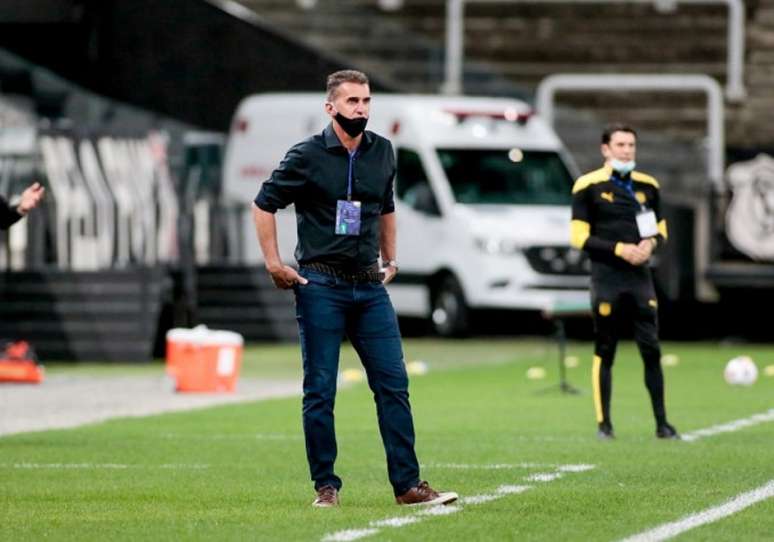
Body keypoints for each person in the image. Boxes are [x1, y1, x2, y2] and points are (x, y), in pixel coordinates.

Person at [252, 70, 458, 507]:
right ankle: (326, 485)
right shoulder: (306, 155)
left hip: (368, 286)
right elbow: (263, 203)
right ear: (331, 108)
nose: (361, 109)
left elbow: (386, 207)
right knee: (321, 389)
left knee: (394, 384)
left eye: (366, 101)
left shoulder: (382, 151)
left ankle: (407, 485)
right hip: (320, 283)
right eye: (352, 102)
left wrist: (392, 258)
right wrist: (274, 264)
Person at [570, 123, 679, 440]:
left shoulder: (648, 186)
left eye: (631, 145)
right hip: (607, 279)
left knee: (652, 349)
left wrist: (651, 244)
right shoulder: (587, 186)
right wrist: (619, 249)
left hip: (640, 279)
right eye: (620, 145)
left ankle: (662, 423)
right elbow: (578, 237)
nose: (627, 150)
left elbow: (660, 227)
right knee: (606, 349)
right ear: (606, 149)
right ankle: (604, 424)